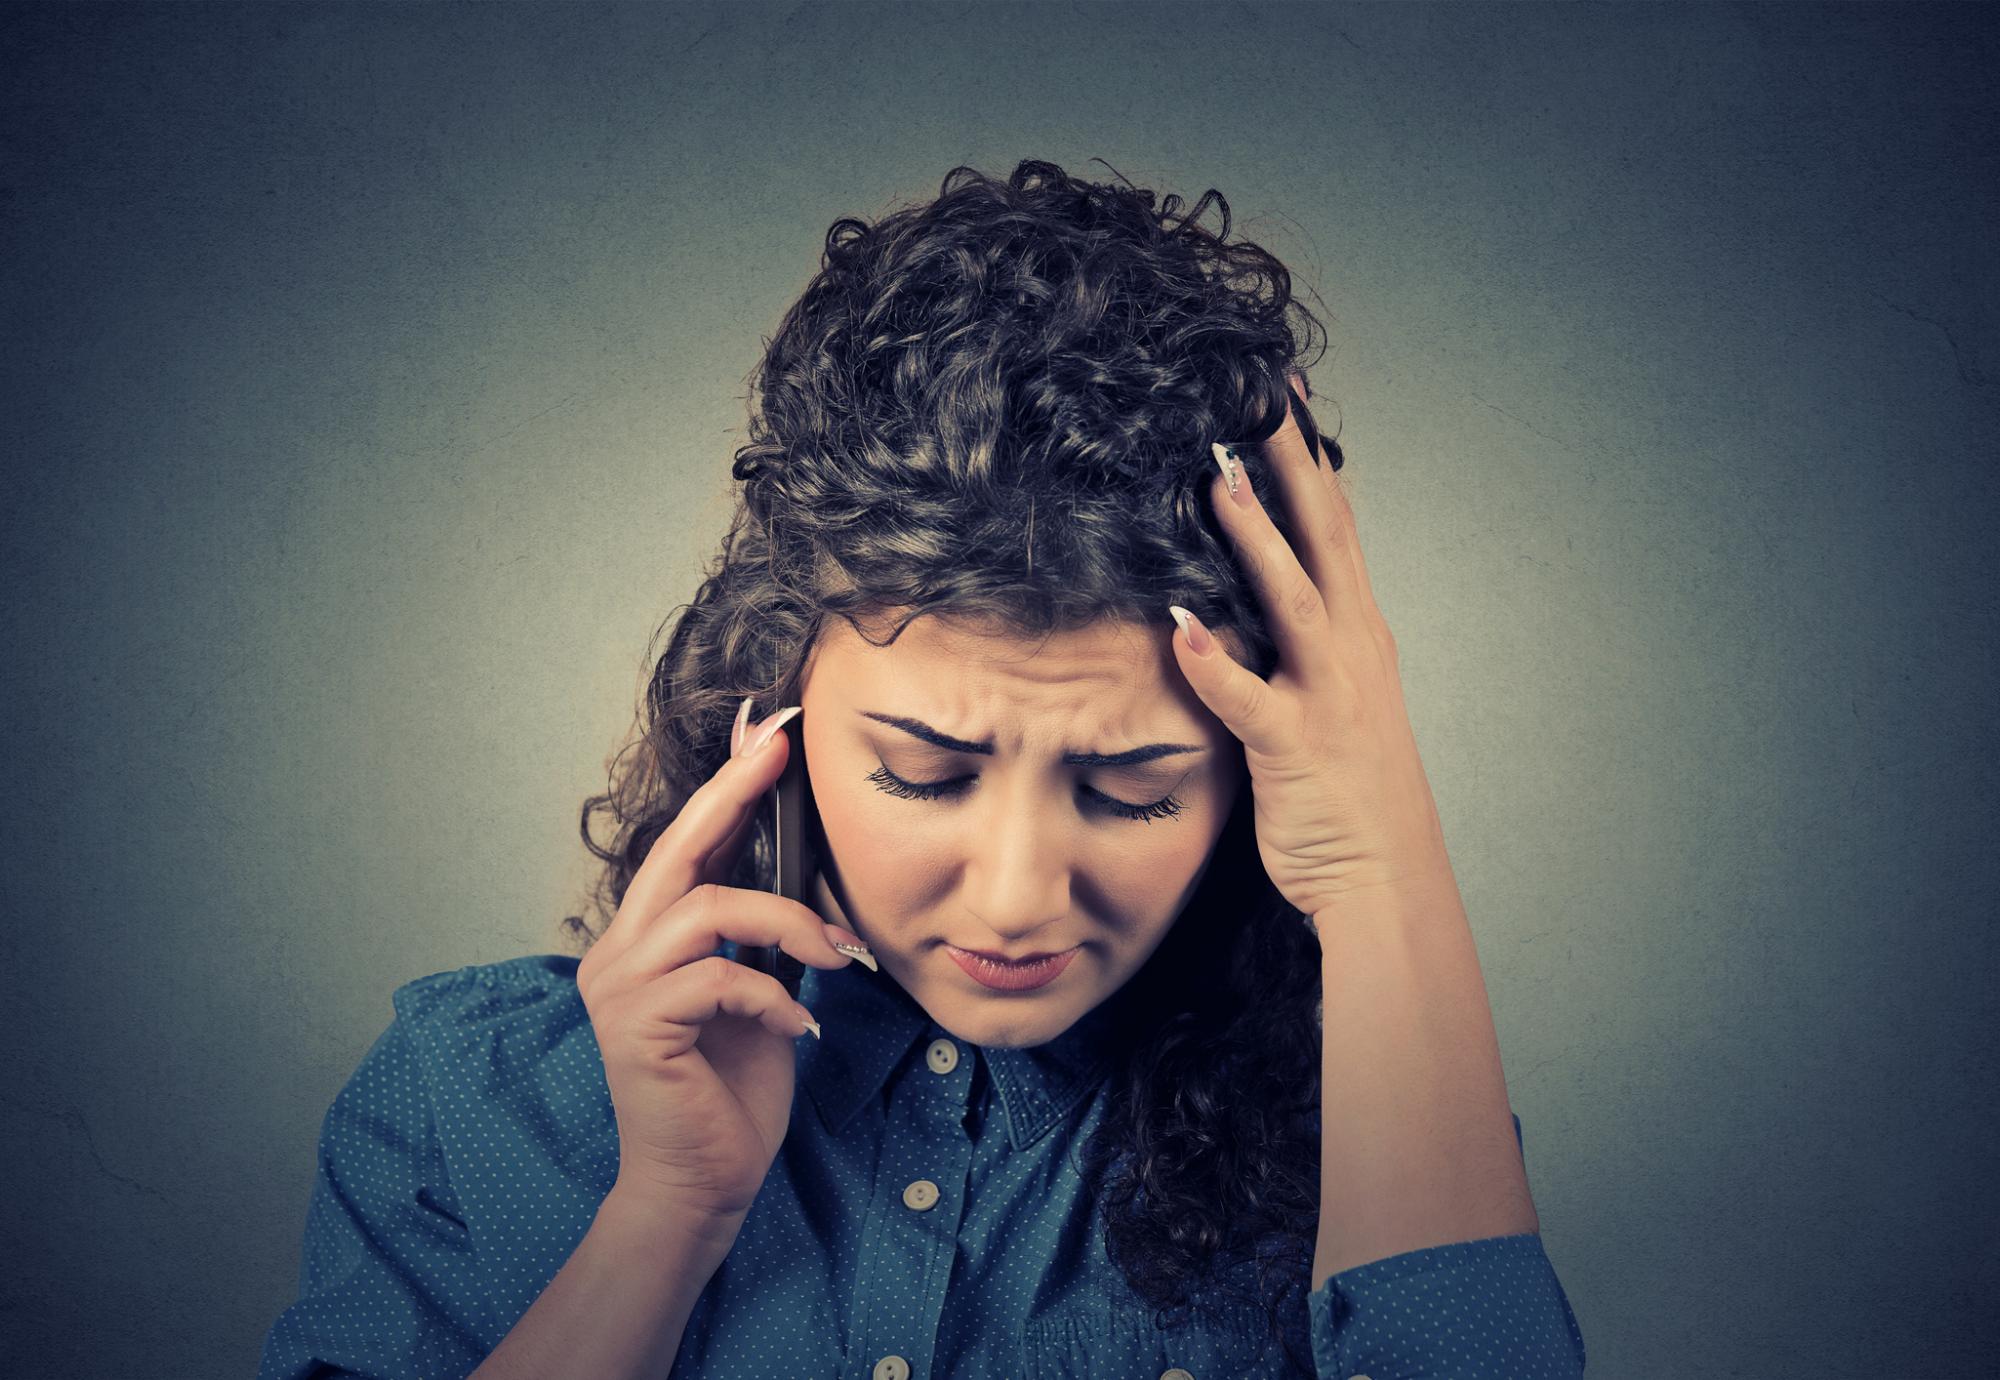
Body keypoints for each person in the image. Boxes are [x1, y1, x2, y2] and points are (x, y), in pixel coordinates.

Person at [256, 159, 1586, 1379]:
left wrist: (1377, 849)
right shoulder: (472, 1103)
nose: (1016, 900)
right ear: (774, 717)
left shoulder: (1383, 1126)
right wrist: (661, 1220)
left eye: (1134, 790)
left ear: (1252, 777)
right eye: (924, 774)